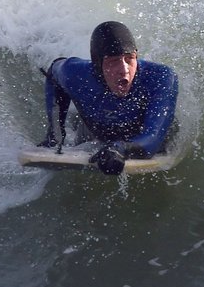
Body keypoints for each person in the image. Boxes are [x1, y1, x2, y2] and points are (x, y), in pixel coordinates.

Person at [39, 21, 178, 175]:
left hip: (148, 136)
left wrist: (119, 149)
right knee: (80, 125)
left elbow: (153, 139)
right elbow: (54, 71)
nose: (124, 70)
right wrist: (56, 133)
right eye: (113, 61)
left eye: (129, 58)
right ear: (97, 65)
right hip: (96, 129)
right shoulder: (75, 73)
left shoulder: (160, 77)